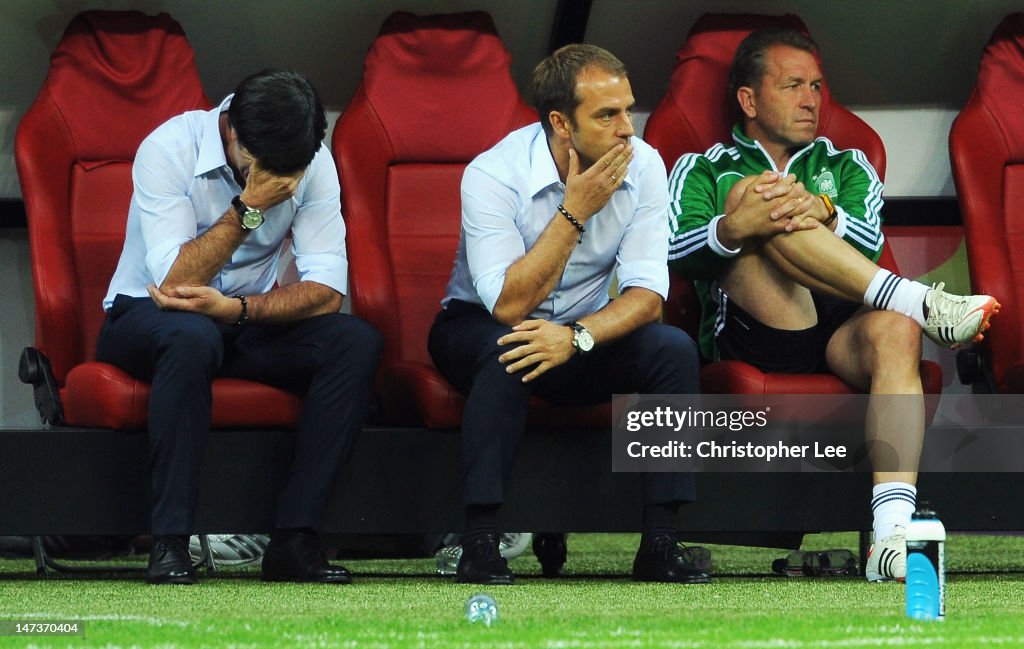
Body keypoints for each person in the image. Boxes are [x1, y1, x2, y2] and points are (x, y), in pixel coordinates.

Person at [667, 28, 1000, 582]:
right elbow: (675, 252)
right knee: (753, 197)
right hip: (761, 326)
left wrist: (821, 210)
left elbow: (868, 243)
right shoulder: (702, 166)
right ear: (748, 100)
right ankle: (920, 300)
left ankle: (890, 537)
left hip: (842, 326)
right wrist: (737, 225)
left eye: (817, 86)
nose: (811, 100)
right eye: (794, 85)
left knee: (896, 331)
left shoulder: (848, 164)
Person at [428, 44, 706, 586]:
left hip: (580, 331)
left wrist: (576, 338)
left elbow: (648, 295)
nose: (627, 129)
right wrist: (575, 210)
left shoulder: (645, 164)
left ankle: (661, 541)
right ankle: (480, 540)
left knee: (672, 349)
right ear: (560, 122)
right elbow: (508, 304)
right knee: (507, 347)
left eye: (628, 109)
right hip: (478, 323)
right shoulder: (493, 173)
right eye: (607, 115)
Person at [98, 69, 382, 585]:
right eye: (272, 173)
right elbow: (175, 283)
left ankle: (295, 540)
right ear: (233, 135)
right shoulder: (168, 148)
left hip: (238, 317)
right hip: (146, 312)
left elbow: (327, 290)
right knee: (191, 335)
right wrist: (249, 208)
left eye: (293, 174)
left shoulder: (311, 162)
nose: (286, 184)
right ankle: (169, 544)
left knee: (355, 343)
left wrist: (239, 311)